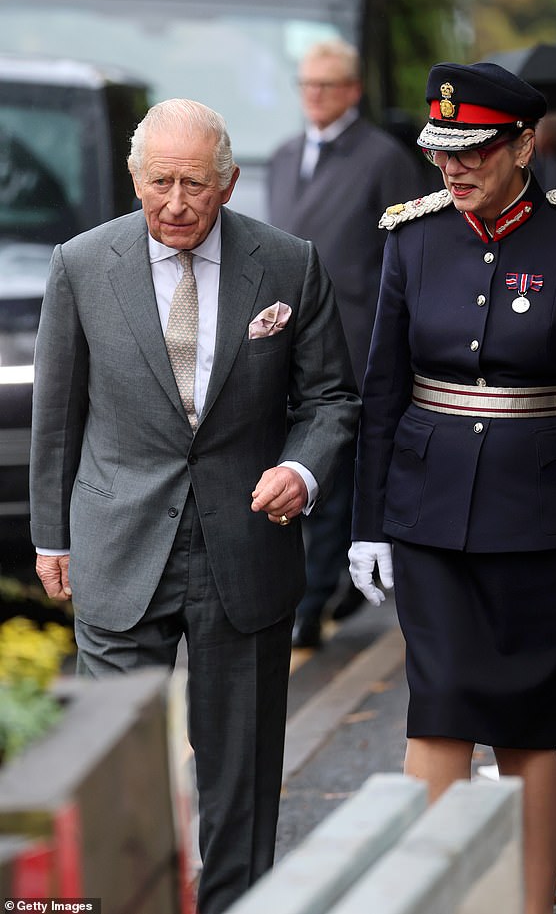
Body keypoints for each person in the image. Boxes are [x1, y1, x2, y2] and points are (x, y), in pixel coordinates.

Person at [29, 99, 360, 914]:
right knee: (112, 759)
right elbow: (58, 410)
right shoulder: (81, 263)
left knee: (239, 772)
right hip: (117, 538)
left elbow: (331, 398)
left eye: (195, 185)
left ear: (230, 184)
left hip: (244, 545)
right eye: (159, 183)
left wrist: (301, 470)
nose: (175, 203)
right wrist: (51, 536)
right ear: (134, 180)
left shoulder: (289, 264)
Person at [348, 61, 556, 914]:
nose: (453, 168)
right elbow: (383, 391)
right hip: (428, 511)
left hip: (539, 514)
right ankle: (434, 901)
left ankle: (525, 904)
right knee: (436, 711)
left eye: (472, 151)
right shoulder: (413, 235)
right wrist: (369, 523)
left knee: (527, 728)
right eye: (441, 153)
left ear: (521, 144)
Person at [267, 38, 431, 648]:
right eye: (307, 85)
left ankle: (311, 605)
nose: (315, 96)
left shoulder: (383, 158)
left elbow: (406, 254)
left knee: (333, 476)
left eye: (327, 86)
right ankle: (294, 595)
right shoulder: (284, 155)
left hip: (356, 338)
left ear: (353, 91)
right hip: (282, 338)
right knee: (287, 469)